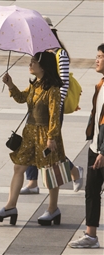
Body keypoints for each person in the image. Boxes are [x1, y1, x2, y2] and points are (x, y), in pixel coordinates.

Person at [0, 51, 65, 226]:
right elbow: (21, 98)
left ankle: (53, 209)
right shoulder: (35, 85)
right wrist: (10, 85)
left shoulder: (53, 89)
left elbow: (54, 115)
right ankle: (10, 206)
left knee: (50, 173)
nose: (30, 65)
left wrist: (51, 137)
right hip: (30, 132)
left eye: (33, 62)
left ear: (43, 67)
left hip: (45, 135)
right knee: (18, 167)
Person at [20, 16, 83, 195]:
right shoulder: (39, 52)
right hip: (37, 106)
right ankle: (32, 182)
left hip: (52, 107)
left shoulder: (59, 53)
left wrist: (56, 106)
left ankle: (75, 172)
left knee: (50, 147)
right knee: (33, 142)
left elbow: (63, 82)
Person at [67, 43, 104, 249]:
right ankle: (91, 235)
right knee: (91, 191)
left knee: (93, 190)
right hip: (95, 148)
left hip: (102, 151)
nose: (96, 60)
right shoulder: (101, 84)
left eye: (100, 56)